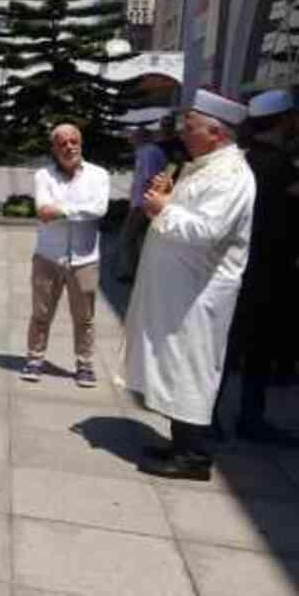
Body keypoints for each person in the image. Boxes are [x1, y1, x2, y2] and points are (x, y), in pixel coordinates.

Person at [125, 90, 256, 482]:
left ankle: (193, 455)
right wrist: (164, 198)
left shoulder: (231, 176)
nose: (183, 132)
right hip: (181, 290)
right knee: (176, 364)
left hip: (200, 295)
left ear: (216, 132)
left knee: (193, 367)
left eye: (191, 126)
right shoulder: (202, 166)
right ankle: (179, 443)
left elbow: (208, 230)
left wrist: (163, 208)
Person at [215, 89, 299, 445]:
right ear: (284, 120)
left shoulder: (244, 160)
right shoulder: (277, 165)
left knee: (229, 347)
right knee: (256, 350)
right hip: (268, 270)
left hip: (239, 267)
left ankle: (211, 416)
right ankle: (249, 418)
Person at [21, 124, 110, 387]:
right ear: (54, 148)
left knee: (84, 317)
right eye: (63, 143)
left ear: (81, 144)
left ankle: (84, 364)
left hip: (84, 260)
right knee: (41, 313)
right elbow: (43, 211)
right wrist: (78, 210)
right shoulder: (43, 176)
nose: (69, 147)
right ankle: (35, 358)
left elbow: (99, 209)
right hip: (48, 257)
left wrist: (61, 210)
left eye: (74, 141)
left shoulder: (99, 175)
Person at [114, 123, 169, 283]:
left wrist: (140, 204)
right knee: (143, 239)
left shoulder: (148, 152)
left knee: (128, 237)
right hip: (146, 202)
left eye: (133, 136)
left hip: (143, 204)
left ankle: (133, 274)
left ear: (140, 137)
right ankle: (144, 273)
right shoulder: (147, 151)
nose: (129, 139)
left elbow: (149, 179)